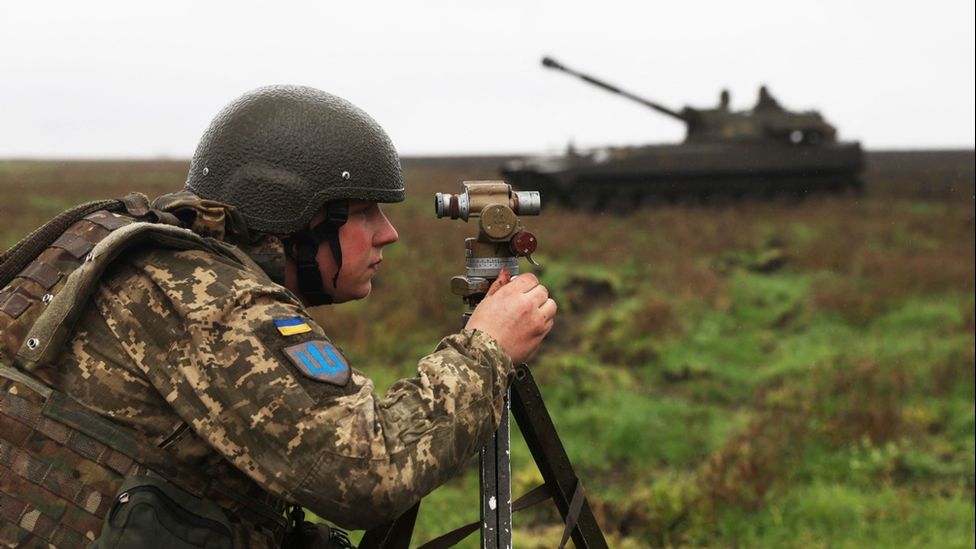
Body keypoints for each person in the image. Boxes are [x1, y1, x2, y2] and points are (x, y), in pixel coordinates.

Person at [0, 85, 556, 548]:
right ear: (296, 217)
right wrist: (486, 348)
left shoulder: (153, 258)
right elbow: (365, 473)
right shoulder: (211, 302)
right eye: (362, 212)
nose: (388, 233)